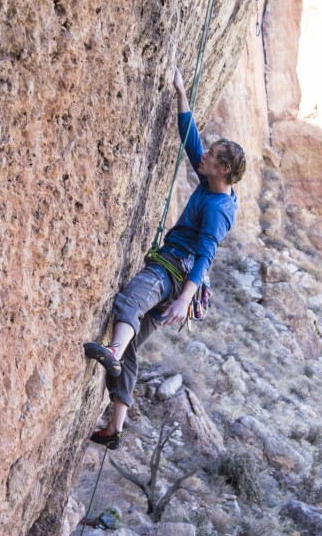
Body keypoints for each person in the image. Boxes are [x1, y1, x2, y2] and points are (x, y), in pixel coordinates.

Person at [83, 65, 246, 450]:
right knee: (135, 343)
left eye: (212, 154)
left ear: (223, 169)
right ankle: (115, 428)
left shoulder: (220, 207)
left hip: (173, 274)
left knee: (130, 301)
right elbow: (191, 141)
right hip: (177, 278)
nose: (203, 154)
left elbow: (207, 253)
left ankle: (112, 351)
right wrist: (180, 92)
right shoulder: (212, 181)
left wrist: (186, 296)